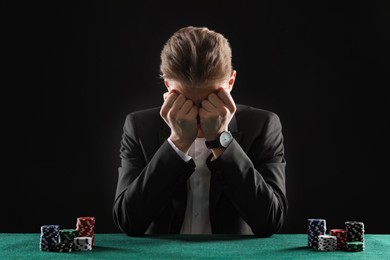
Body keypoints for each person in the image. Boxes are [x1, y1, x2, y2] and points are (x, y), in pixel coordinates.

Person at [112, 26, 287, 237]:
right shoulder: (139, 127)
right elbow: (128, 221)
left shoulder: (263, 126)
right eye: (185, 101)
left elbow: (270, 221)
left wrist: (222, 141)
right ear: (168, 86)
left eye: (209, 101)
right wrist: (176, 144)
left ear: (230, 83)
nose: (198, 115)